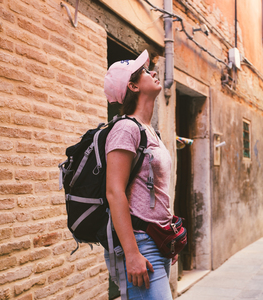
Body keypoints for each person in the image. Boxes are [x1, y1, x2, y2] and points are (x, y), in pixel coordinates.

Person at [103, 50, 174, 299]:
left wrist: (169, 232)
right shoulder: (125, 129)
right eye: (144, 71)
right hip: (139, 243)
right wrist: (132, 253)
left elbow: (154, 191)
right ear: (133, 86)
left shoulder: (150, 131)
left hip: (157, 240)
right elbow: (114, 192)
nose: (153, 72)